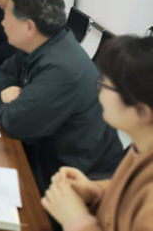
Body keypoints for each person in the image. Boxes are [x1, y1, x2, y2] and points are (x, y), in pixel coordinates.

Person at [0, 0, 124, 194]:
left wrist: (3, 100)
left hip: (77, 183)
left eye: (8, 17)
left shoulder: (62, 69)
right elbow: (1, 73)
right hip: (46, 155)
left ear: (29, 27)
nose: (3, 23)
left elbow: (15, 123)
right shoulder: (40, 43)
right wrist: (8, 89)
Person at [42, 35, 153, 230]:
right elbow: (128, 199)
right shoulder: (141, 148)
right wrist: (94, 191)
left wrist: (77, 220)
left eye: (106, 84)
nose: (99, 89)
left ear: (142, 111)